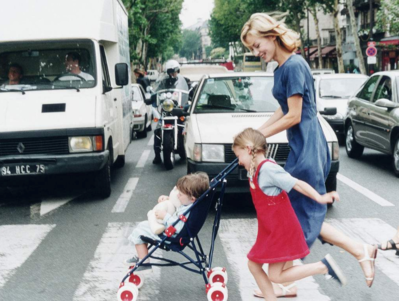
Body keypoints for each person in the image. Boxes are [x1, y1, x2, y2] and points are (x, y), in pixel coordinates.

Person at [240, 13, 377, 297]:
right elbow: (282, 108)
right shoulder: (280, 69)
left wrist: (260, 138)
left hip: (310, 145)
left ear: (270, 36)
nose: (257, 52)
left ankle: (360, 250)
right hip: (301, 144)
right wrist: (255, 132)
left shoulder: (295, 65)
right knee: (295, 212)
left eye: (257, 45)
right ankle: (288, 281)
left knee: (298, 213)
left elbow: (295, 115)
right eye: (252, 49)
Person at [232, 128, 346, 300]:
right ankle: (320, 267)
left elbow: (298, 184)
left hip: (280, 230)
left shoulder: (268, 169)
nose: (239, 161)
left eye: (239, 156)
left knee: (274, 275)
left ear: (249, 150)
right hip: (270, 229)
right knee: (255, 266)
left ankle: (322, 266)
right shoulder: (256, 169)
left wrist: (320, 198)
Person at [124, 172, 210, 272]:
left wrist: (165, 216)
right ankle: (142, 254)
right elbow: (178, 206)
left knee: (138, 232)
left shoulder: (187, 211)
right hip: (172, 231)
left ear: (192, 198)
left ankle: (143, 260)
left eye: (180, 194)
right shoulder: (191, 205)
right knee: (142, 225)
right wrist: (168, 199)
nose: (178, 195)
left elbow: (178, 227)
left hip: (171, 236)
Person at [150, 59, 189, 164]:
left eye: (175, 71)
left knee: (186, 125)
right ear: (167, 72)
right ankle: (157, 154)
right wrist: (152, 97)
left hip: (178, 109)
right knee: (158, 129)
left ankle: (187, 148)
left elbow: (187, 91)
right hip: (166, 109)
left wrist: (191, 94)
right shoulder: (162, 82)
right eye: (171, 71)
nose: (173, 73)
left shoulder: (184, 80)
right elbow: (156, 91)